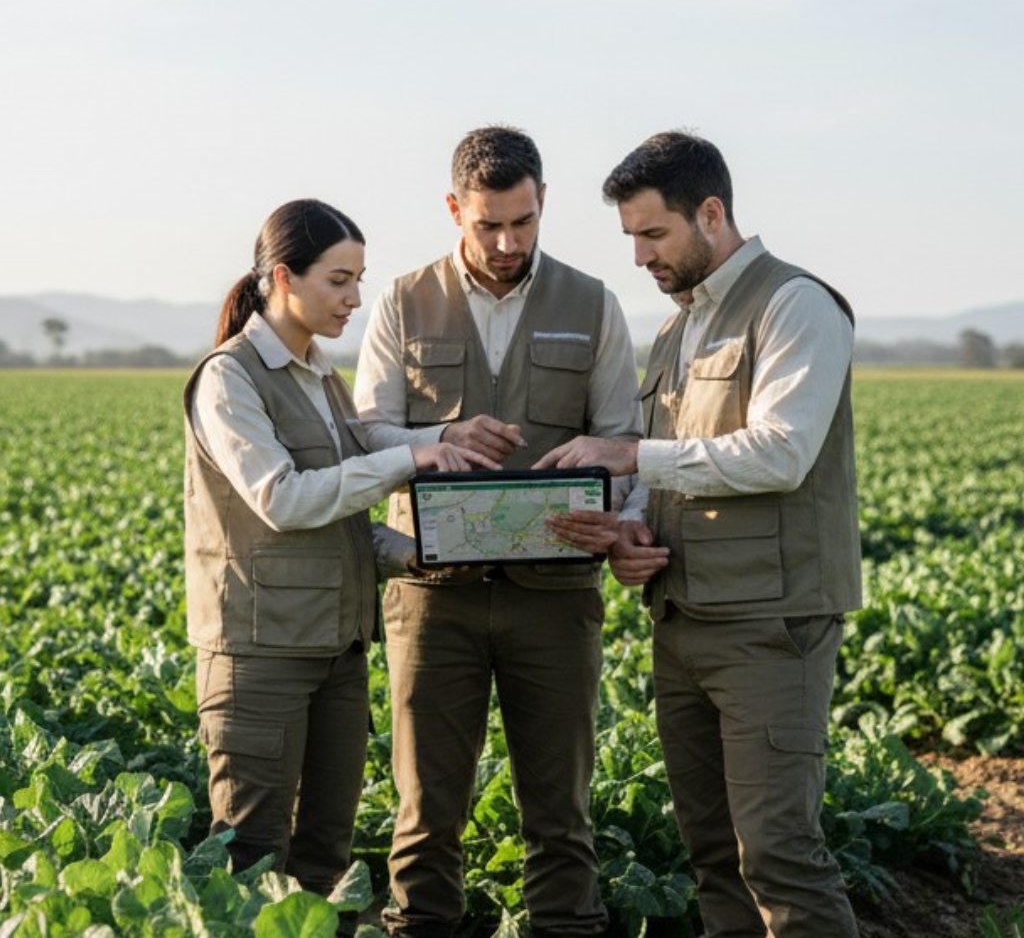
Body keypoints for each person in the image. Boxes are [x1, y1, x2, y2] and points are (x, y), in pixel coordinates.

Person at [538, 131, 862, 937]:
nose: (641, 256)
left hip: (770, 624)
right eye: (632, 239)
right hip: (682, 622)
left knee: (780, 854)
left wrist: (625, 450)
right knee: (713, 851)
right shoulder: (677, 332)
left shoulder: (795, 305)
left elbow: (782, 452)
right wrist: (631, 531)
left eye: (655, 234)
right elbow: (670, 470)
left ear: (711, 213)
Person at [353, 126, 643, 938]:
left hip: (556, 595)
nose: (508, 242)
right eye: (489, 225)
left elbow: (625, 440)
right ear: (455, 209)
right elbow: (366, 430)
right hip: (430, 593)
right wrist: (431, 447)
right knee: (425, 812)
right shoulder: (402, 302)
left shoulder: (596, 305)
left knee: (560, 811)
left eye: (524, 221)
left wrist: (613, 507)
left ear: (543, 201)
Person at [183, 199, 495, 917]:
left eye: (359, 280)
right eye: (339, 281)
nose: (356, 299)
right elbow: (285, 501)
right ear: (284, 278)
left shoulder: (321, 377)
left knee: (325, 853)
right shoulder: (230, 377)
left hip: (338, 648)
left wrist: (423, 554)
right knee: (253, 861)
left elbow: (339, 521)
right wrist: (411, 459)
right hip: (260, 654)